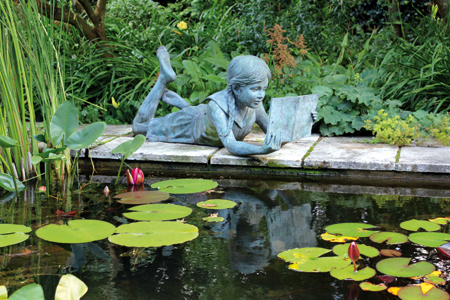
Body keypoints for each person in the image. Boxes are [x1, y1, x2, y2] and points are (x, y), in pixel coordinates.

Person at [133, 46, 282, 156]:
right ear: (236, 88)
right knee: (139, 127)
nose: (261, 95)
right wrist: (261, 150)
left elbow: (274, 132)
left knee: (197, 111)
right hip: (189, 126)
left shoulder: (256, 105)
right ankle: (163, 79)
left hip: (204, 114)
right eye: (255, 89)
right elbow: (230, 145)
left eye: (264, 89)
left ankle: (182, 104)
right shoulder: (217, 108)